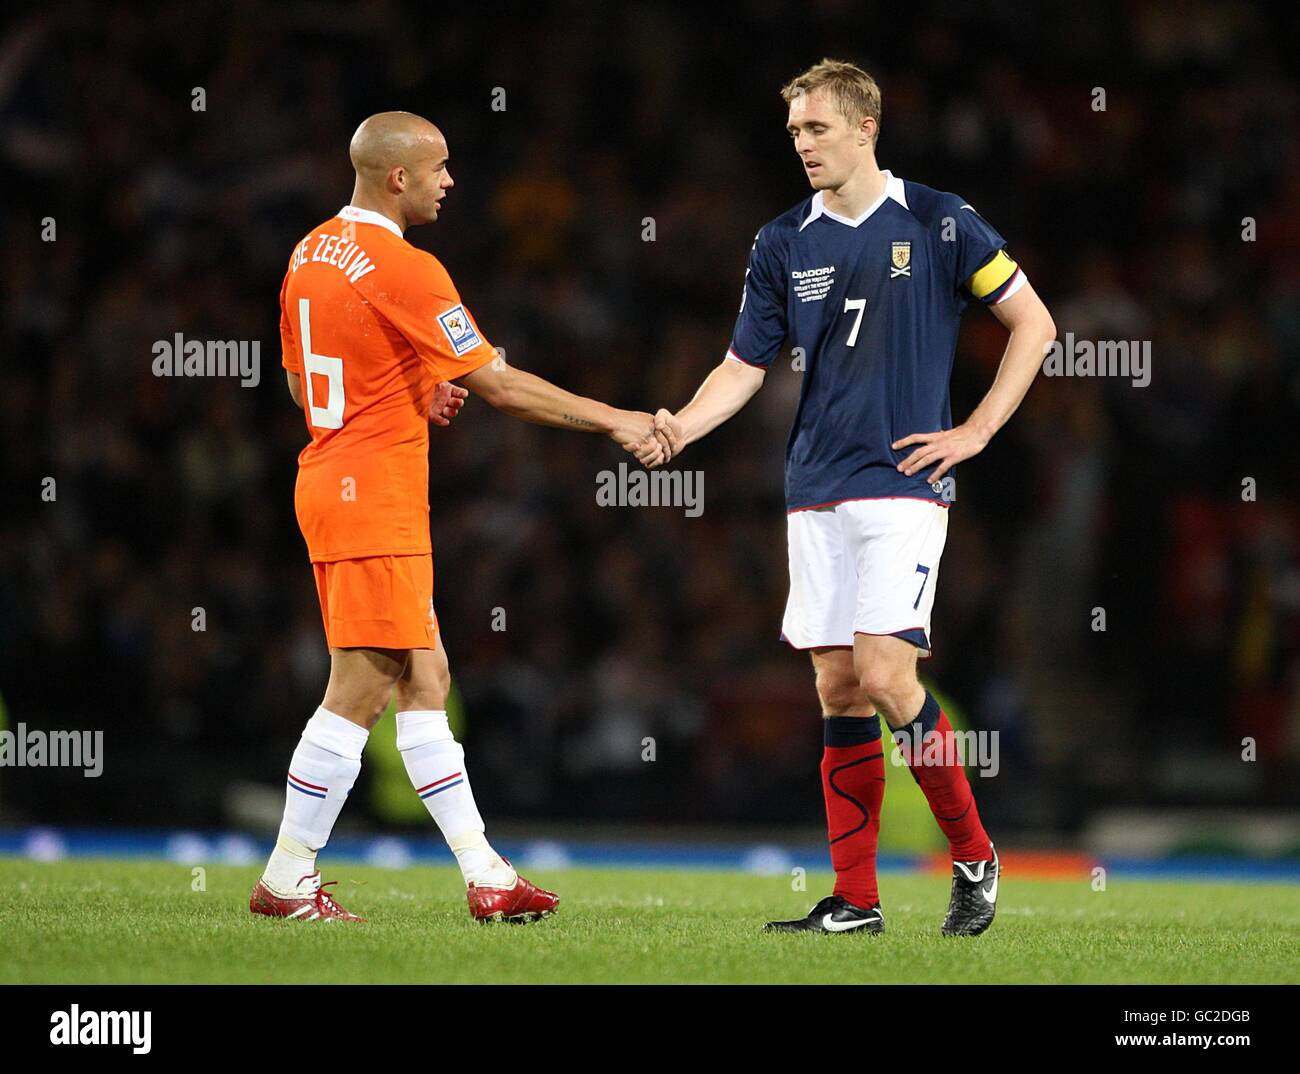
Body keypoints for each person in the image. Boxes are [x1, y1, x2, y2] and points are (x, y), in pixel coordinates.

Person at [641, 60, 1056, 936]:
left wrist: (975, 431)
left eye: (817, 128)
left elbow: (1036, 325)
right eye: (794, 131)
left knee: (884, 673)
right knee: (837, 687)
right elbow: (742, 367)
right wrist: (679, 427)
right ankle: (855, 901)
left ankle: (974, 855)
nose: (802, 144)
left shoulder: (941, 219)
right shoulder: (782, 240)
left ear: (867, 127)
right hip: (814, 486)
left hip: (903, 482)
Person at [251, 111, 670, 923]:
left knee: (426, 680)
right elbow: (503, 386)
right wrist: (617, 417)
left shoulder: (308, 252)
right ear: (397, 176)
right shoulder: (405, 266)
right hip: (372, 494)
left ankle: (487, 874)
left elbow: (306, 390)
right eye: (439, 168)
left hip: (337, 479)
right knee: (361, 688)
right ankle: (287, 876)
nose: (452, 181)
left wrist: (410, 384)